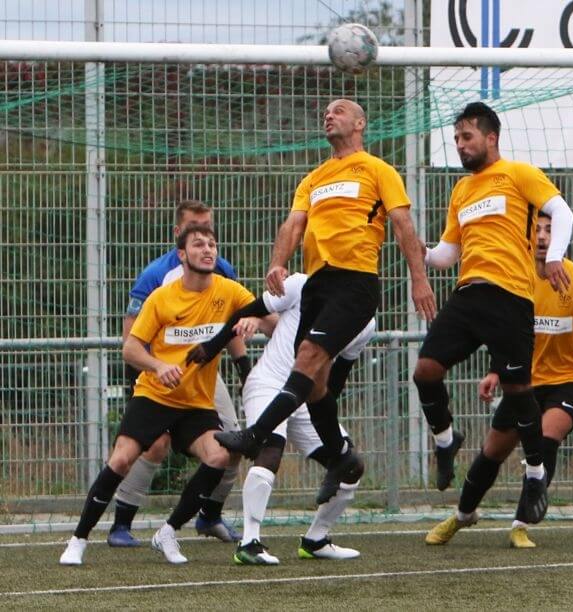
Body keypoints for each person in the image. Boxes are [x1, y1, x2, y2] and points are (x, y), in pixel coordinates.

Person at [211, 99, 435, 506]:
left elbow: (402, 224)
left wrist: (419, 279)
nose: (329, 115)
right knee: (314, 382)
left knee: (309, 355)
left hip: (356, 281)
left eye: (340, 110)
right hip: (318, 283)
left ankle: (256, 433)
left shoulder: (378, 170)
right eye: (326, 112)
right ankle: (339, 455)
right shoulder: (314, 177)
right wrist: (278, 263)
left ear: (360, 123)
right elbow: (294, 223)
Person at [416, 102, 573, 529]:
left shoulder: (518, 174)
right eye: (455, 140)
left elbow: (562, 212)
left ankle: (537, 474)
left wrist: (555, 256)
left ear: (491, 138)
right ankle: (446, 440)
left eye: (467, 137)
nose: (460, 146)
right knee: (426, 370)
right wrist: (420, 250)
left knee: (518, 388)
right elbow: (448, 255)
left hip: (510, 297)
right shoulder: (461, 191)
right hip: (469, 294)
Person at [425, 211, 573, 547]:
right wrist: (494, 371)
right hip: (524, 383)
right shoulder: (515, 284)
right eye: (537, 230)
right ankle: (462, 515)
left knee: (547, 436)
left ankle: (520, 523)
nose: (543, 237)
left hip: (568, 382)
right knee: (491, 452)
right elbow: (507, 335)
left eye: (550, 230)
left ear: (561, 237)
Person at [60, 224, 254, 565]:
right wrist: (158, 365)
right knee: (121, 459)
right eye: (198, 245)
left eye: (212, 244)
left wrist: (255, 320)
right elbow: (131, 348)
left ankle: (168, 532)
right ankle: (78, 539)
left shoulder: (230, 291)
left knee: (220, 456)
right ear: (182, 255)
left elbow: (266, 315)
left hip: (196, 403)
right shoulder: (162, 297)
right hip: (155, 396)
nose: (208, 249)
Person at [109, 200, 247, 547]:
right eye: (194, 231)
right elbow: (132, 337)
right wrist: (141, 378)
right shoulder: (156, 275)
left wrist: (246, 371)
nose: (204, 240)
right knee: (153, 446)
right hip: (161, 374)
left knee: (233, 443)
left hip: (204, 377)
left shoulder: (223, 271)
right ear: (179, 238)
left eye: (209, 231)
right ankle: (121, 524)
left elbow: (231, 325)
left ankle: (210, 515)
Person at [231, 273, 373, 565]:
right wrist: (213, 349)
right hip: (270, 384)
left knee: (351, 465)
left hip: (308, 400)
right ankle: (249, 542)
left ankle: (315, 539)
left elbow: (336, 382)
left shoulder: (365, 320)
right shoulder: (301, 283)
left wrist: (326, 420)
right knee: (271, 449)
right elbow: (252, 310)